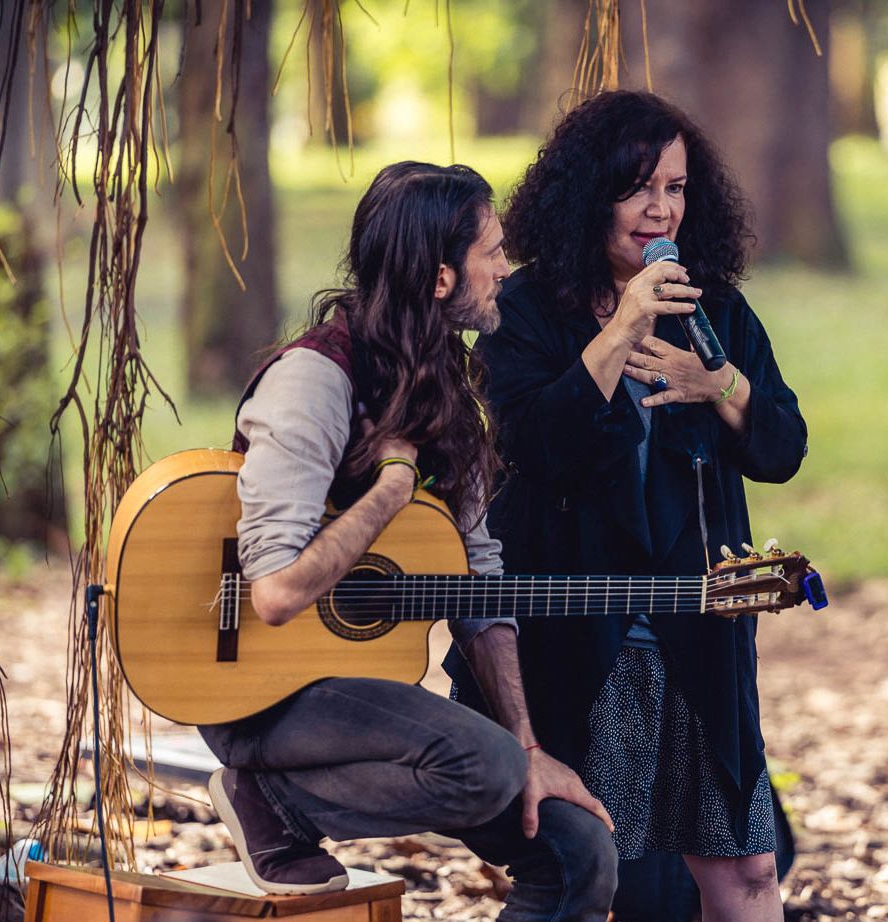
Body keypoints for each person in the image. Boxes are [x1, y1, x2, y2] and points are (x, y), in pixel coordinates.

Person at [197, 161, 617, 921]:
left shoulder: (449, 384)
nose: (504, 268)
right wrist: (392, 488)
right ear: (438, 276)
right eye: (491, 251)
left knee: (578, 849)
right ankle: (268, 798)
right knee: (480, 765)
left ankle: (302, 797)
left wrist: (527, 744)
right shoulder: (315, 381)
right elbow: (279, 591)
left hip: (343, 686)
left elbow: (478, 576)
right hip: (252, 686)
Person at [446, 90, 807, 922]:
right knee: (605, 871)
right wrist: (621, 330)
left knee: (746, 868)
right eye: (636, 186)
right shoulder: (525, 312)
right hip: (584, 627)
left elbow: (781, 449)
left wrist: (716, 383)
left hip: (698, 626)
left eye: (676, 188)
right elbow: (534, 445)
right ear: (586, 194)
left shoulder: (712, 307)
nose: (659, 208)